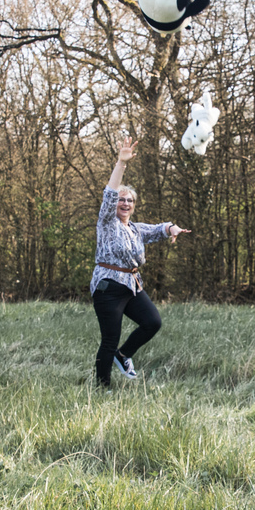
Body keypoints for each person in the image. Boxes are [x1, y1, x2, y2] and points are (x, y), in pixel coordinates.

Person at [91, 135, 188, 386]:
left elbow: (157, 229)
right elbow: (110, 193)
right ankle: (103, 387)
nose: (125, 203)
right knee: (109, 338)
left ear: (133, 206)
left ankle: (123, 356)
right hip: (109, 286)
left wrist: (172, 228)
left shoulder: (134, 228)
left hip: (132, 285)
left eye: (130, 201)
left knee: (152, 322)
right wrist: (121, 163)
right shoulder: (107, 221)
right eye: (122, 200)